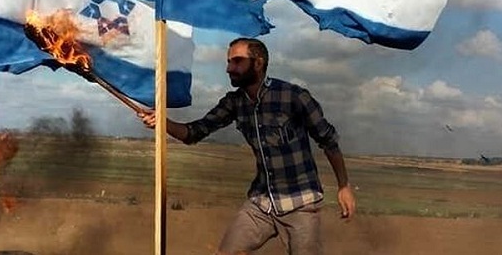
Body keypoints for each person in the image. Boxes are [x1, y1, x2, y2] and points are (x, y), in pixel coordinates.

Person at [138, 37, 355, 255]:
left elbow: (328, 141)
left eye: (237, 61)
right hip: (261, 203)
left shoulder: (294, 97)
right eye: (229, 62)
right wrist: (162, 122)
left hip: (301, 203)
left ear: (258, 63)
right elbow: (194, 132)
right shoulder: (235, 102)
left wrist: (343, 186)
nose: (229, 68)